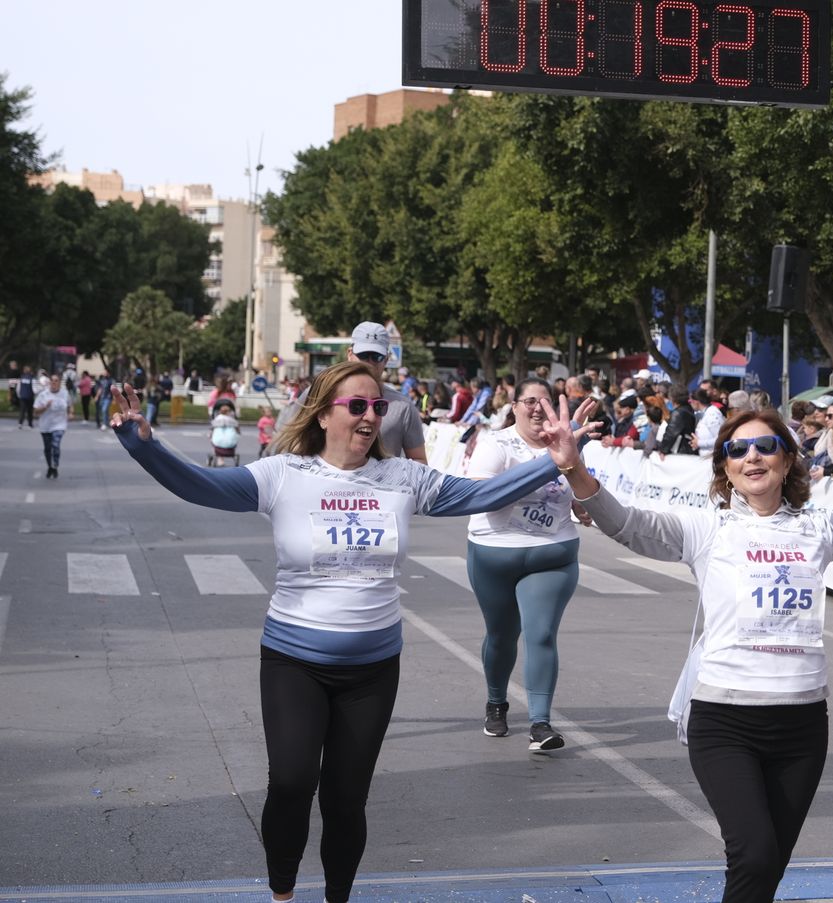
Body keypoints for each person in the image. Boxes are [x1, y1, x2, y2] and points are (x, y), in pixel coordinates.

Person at [105, 363, 595, 903]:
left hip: (373, 670)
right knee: (291, 784)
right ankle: (283, 894)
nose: (370, 417)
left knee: (345, 800)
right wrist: (143, 447)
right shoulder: (282, 474)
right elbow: (203, 485)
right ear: (322, 413)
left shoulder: (402, 478)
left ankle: (337, 896)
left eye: (378, 407)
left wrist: (555, 461)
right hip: (294, 660)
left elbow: (479, 495)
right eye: (357, 406)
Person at [541, 397, 833, 903]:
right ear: (725, 465)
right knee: (755, 853)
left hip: (802, 726)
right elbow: (627, 524)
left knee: (764, 871)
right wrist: (572, 467)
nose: (753, 457)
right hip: (724, 721)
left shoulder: (820, 527)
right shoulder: (708, 529)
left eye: (766, 446)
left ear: (787, 459)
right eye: (738, 449)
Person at [466, 377, 588, 751]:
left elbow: (584, 497)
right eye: (529, 401)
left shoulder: (568, 445)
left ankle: (540, 723)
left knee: (540, 634)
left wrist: (584, 498)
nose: (537, 409)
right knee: (502, 636)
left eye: (545, 401)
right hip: (494, 556)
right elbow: (484, 495)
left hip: (553, 555)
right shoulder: (496, 443)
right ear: (514, 406)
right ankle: (496, 702)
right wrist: (548, 465)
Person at [277, 323, 428, 463]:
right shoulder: (319, 392)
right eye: (363, 355)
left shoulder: (404, 406)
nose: (369, 362)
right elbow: (291, 441)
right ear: (350, 354)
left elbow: (419, 461)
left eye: (376, 357)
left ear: (386, 360)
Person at [33, 373, 69, 478]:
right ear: (49, 382)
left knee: (56, 445)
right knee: (47, 448)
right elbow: (36, 412)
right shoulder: (43, 395)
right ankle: (50, 467)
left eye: (56, 380)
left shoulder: (64, 393)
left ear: (59, 382)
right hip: (45, 426)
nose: (54, 382)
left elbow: (70, 405)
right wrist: (45, 406)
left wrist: (71, 413)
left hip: (59, 425)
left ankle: (55, 465)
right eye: (52, 380)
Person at [658, 386, 700, 456]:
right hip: (688, 449)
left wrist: (663, 450)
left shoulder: (678, 413)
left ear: (672, 398)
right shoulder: (688, 409)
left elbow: (671, 433)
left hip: (679, 451)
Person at [691, 388, 724, 458]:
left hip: (713, 458)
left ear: (696, 402)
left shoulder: (712, 414)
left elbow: (720, 439)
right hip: (706, 458)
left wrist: (699, 443)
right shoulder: (705, 413)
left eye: (690, 401)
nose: (690, 403)